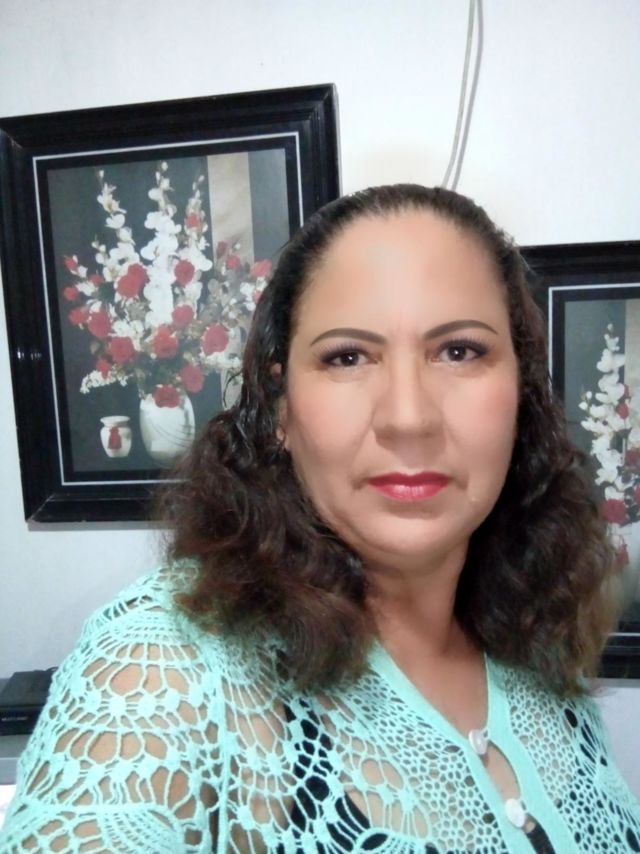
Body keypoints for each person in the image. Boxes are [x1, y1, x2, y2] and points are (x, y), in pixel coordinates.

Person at [2, 184, 639, 853]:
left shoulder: (537, 639)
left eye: (459, 351)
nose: (408, 417)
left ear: (521, 392)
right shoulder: (166, 664)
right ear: (282, 409)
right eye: (347, 357)